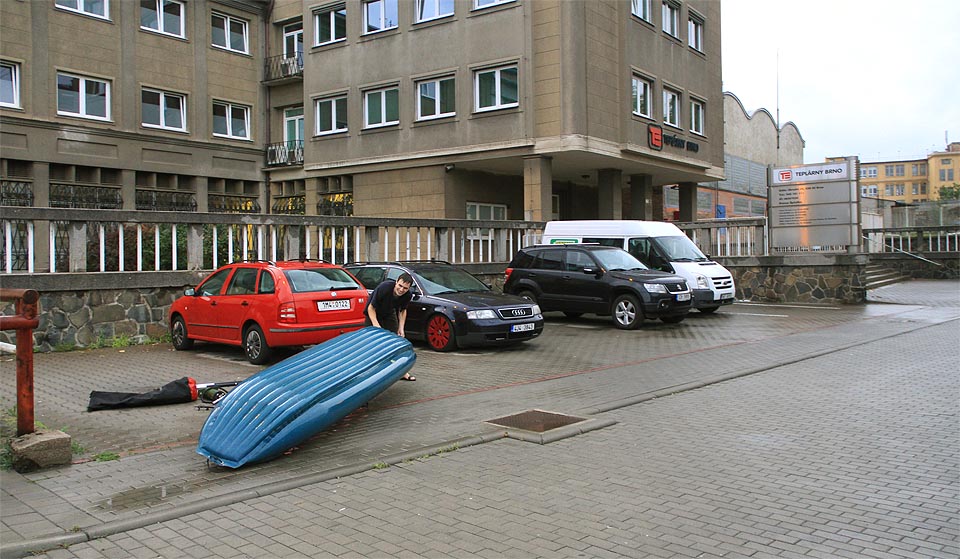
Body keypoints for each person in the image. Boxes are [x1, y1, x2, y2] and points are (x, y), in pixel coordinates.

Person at [365, 272, 416, 381]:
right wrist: (376, 325)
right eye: (400, 286)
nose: (401, 290)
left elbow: (403, 310)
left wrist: (401, 327)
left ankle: (402, 371)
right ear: (396, 282)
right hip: (374, 313)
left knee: (395, 341)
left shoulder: (407, 295)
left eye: (405, 288)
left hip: (389, 312)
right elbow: (371, 308)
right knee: (373, 343)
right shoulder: (384, 288)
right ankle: (372, 371)